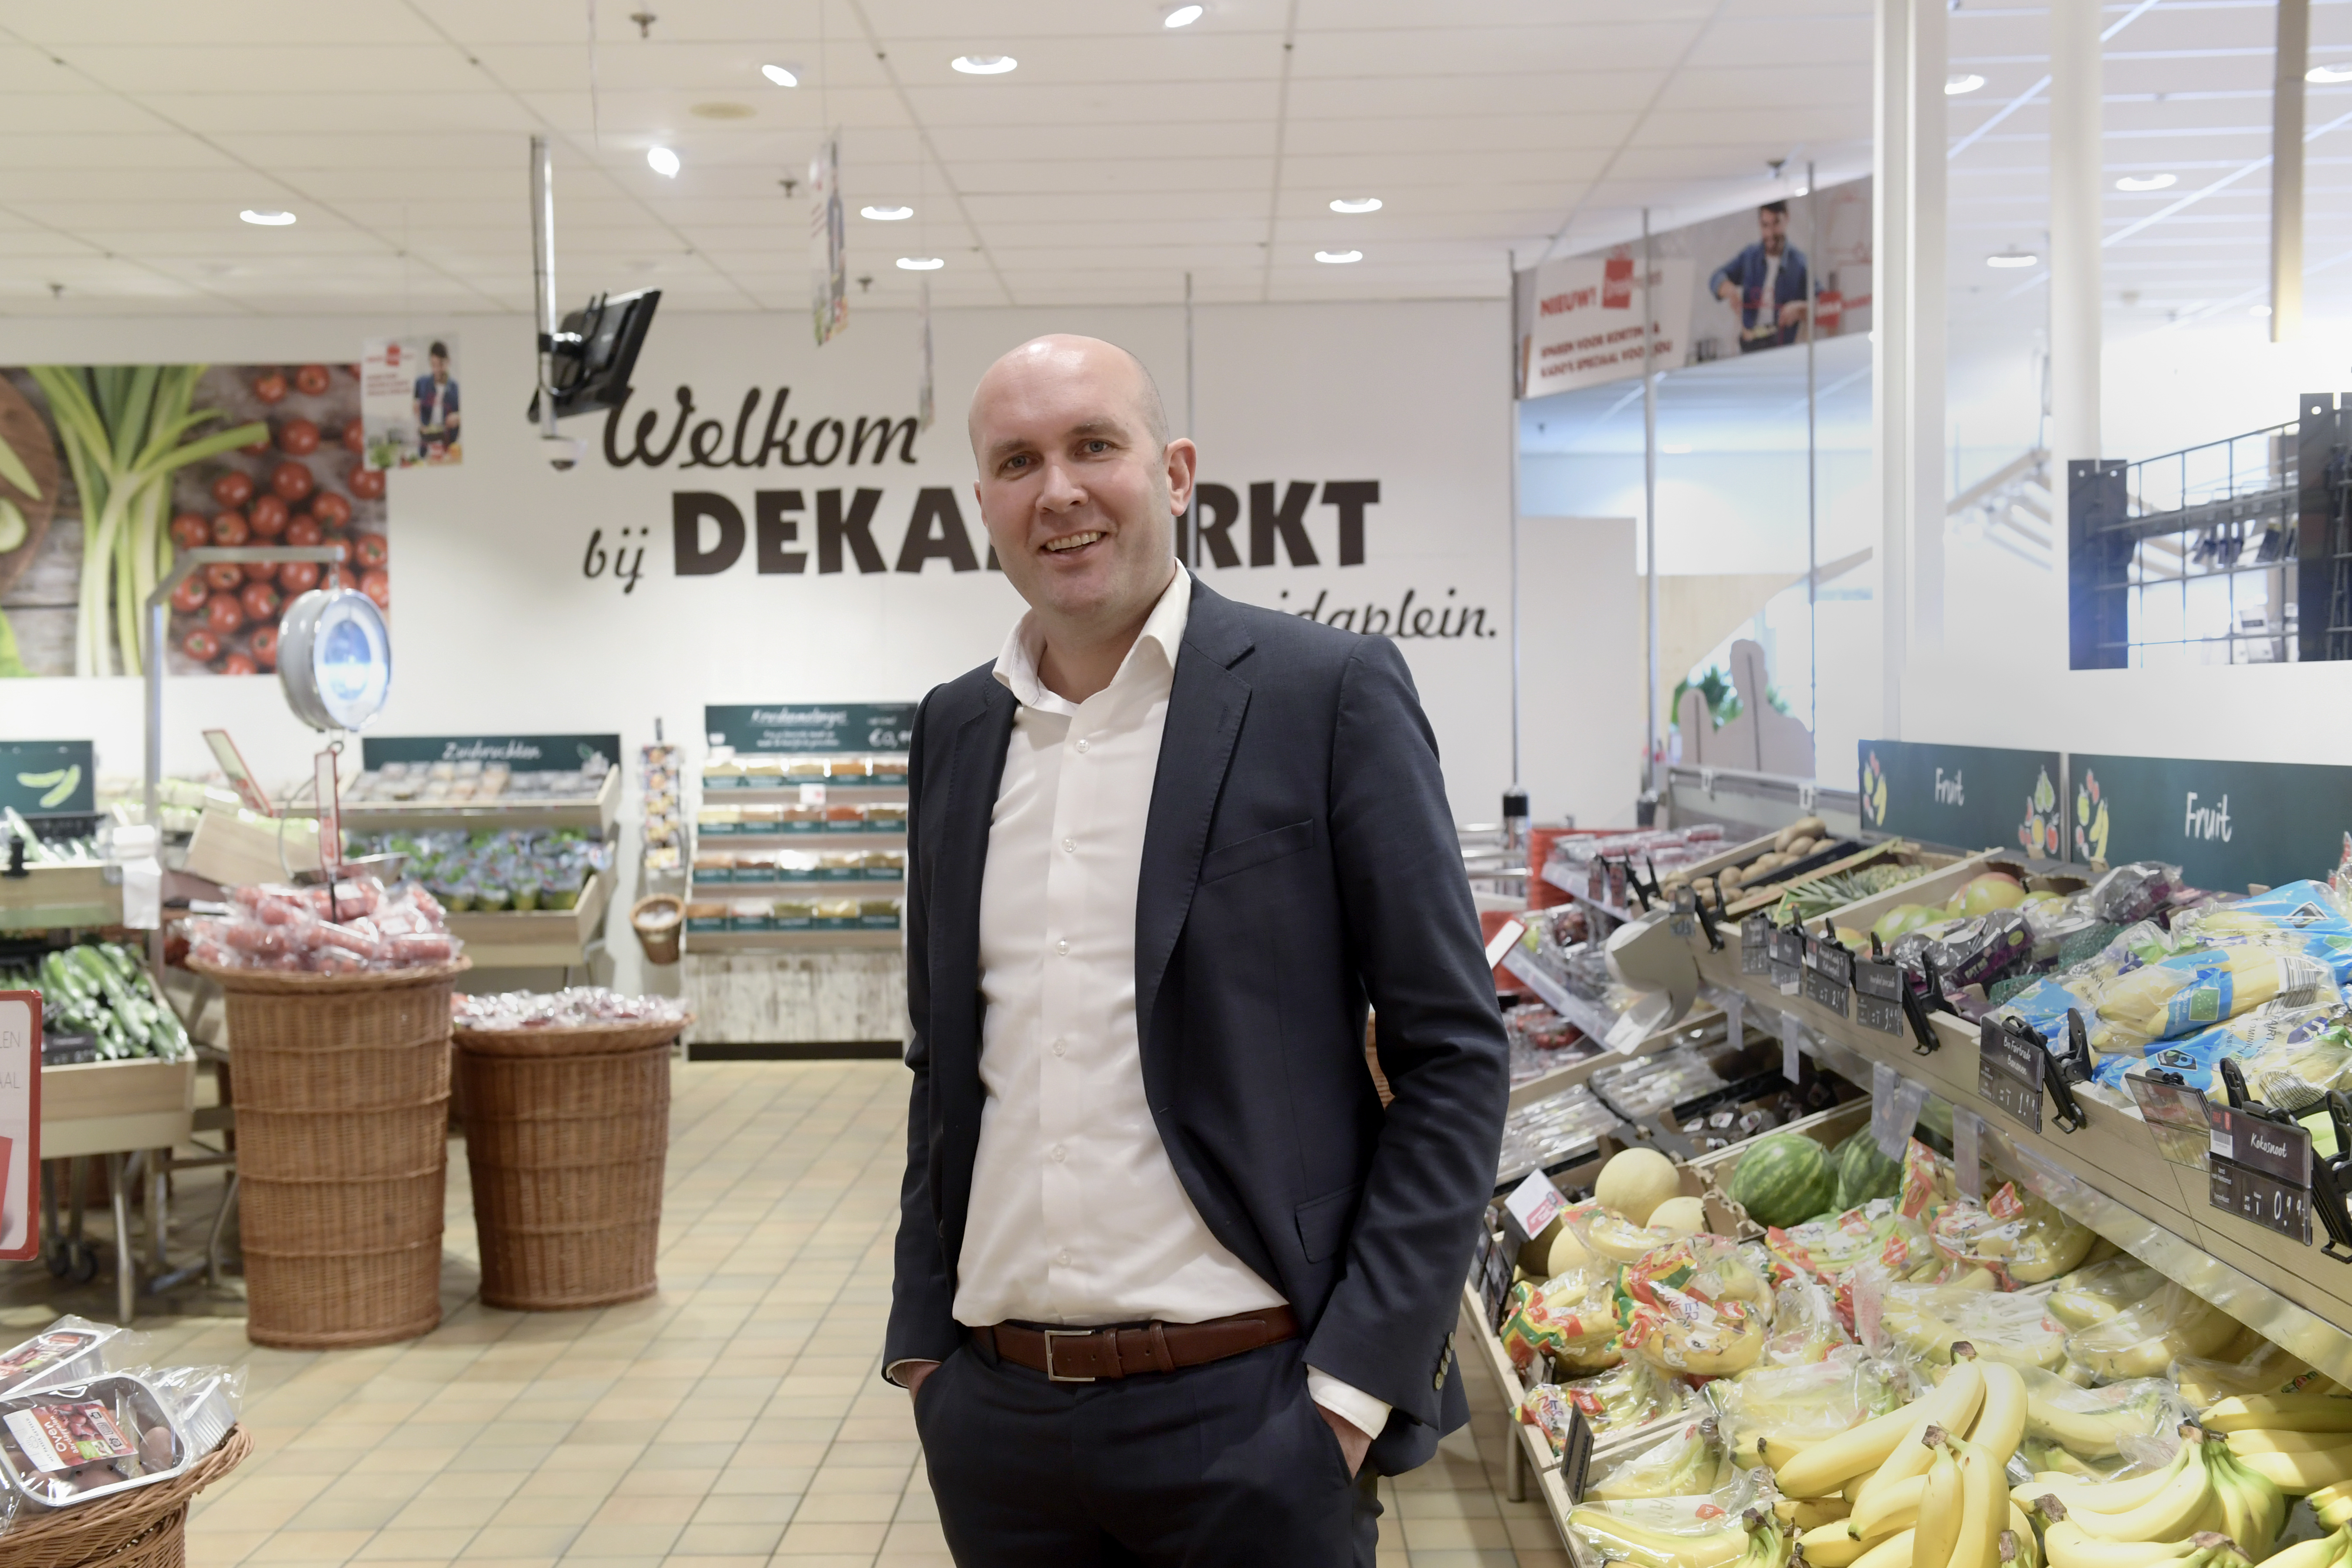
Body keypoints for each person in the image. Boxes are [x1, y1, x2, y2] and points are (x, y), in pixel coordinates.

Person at [883, 334, 1510, 1565]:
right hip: (998, 1426)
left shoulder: (1320, 691)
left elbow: (1451, 1054)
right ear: (982, 506)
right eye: (1016, 460)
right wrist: (923, 1343)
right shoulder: (956, 729)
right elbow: (944, 1061)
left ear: (1173, 472)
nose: (1056, 490)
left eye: (1092, 446)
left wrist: (1348, 1389)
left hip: (1254, 1411)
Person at [1709, 200, 1810, 352]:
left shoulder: (1800, 263)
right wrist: (1729, 290)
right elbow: (1717, 277)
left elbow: (1823, 304)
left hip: (1783, 347)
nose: (1770, 233)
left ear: (1787, 219)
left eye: (1776, 224)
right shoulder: (1750, 257)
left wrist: (1801, 309)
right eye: (1765, 225)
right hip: (1750, 343)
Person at [412, 341, 459, 457]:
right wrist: (414, 408)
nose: (437, 370)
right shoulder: (421, 383)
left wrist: (459, 417)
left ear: (448, 362)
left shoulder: (456, 388)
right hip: (425, 446)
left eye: (441, 365)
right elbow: (413, 403)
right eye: (434, 365)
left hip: (449, 447)